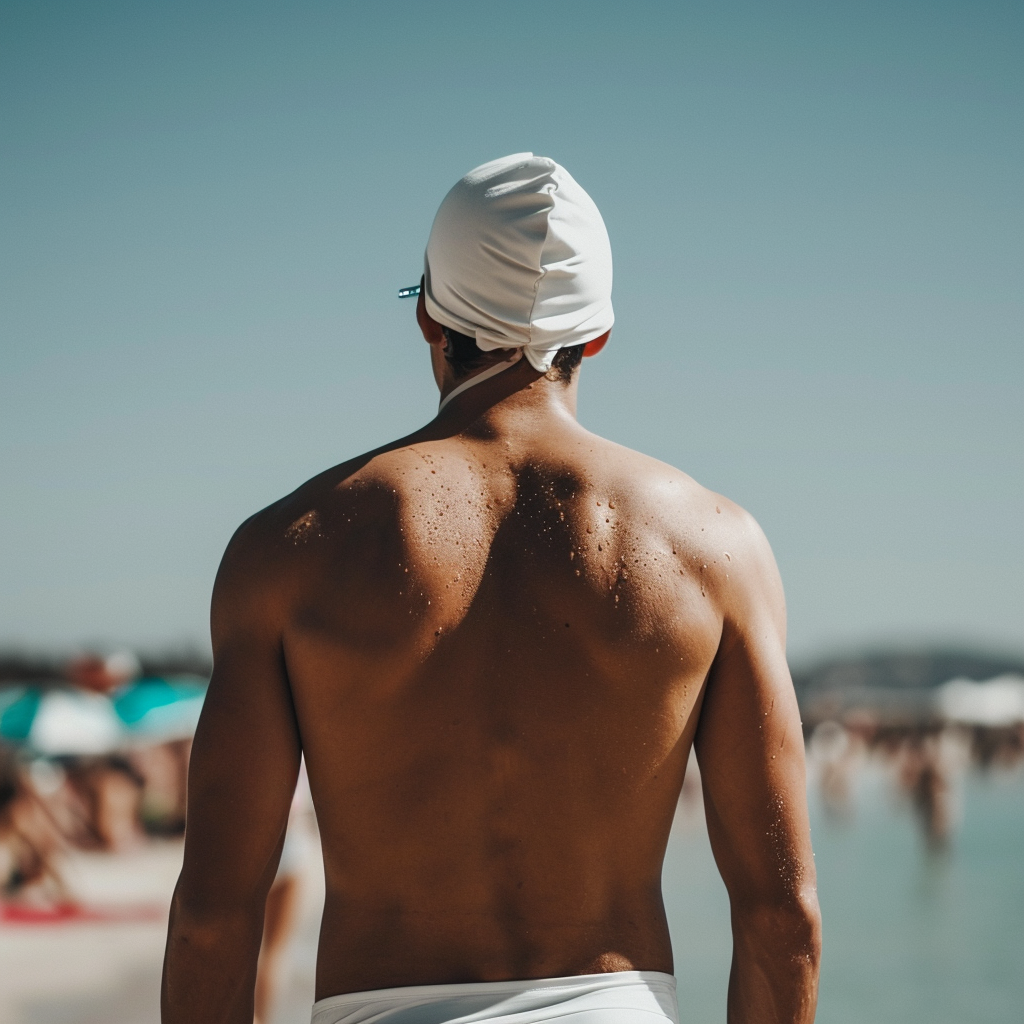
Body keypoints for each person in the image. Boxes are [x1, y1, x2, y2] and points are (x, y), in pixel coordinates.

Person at [162, 153, 820, 1024]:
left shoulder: (290, 548)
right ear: (599, 334)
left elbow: (215, 912)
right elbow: (782, 915)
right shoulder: (713, 547)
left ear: (431, 317)